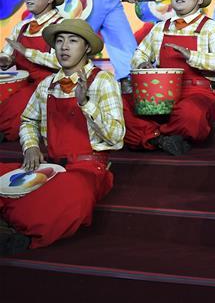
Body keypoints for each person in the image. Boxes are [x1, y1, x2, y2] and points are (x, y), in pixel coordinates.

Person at [0, 19, 124, 254]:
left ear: (87, 47)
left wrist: (86, 104)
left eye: (73, 40)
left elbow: (116, 137)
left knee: (73, 196)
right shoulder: (47, 84)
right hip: (49, 167)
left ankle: (21, 236)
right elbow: (28, 120)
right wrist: (31, 148)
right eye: (59, 41)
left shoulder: (103, 81)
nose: (64, 47)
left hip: (87, 170)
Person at [127, 0, 215, 155]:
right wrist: (142, 63)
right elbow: (140, 53)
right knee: (122, 104)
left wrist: (192, 56)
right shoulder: (160, 27)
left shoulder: (210, 27)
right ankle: (163, 139)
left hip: (197, 92)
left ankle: (149, 136)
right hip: (161, 92)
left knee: (190, 114)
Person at [0, 0, 64, 143]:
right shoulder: (22, 27)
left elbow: (61, 61)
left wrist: (27, 52)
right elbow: (7, 54)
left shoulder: (62, 25)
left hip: (51, 85)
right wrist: (5, 60)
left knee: (11, 116)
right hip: (25, 85)